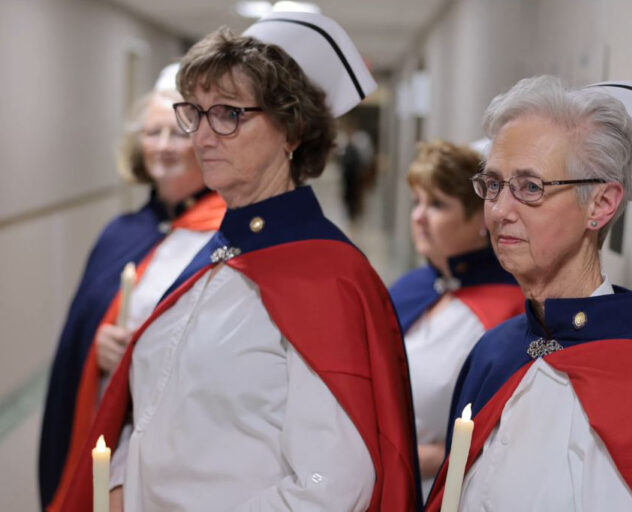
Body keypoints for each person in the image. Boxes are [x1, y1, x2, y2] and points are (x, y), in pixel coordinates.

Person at [57, 12, 419, 512]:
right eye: (195, 112)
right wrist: (119, 483)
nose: (201, 137)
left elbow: (333, 483)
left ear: (291, 131)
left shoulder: (328, 277)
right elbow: (151, 406)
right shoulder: (213, 253)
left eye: (228, 114)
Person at [426, 76, 632, 511]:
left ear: (601, 205)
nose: (498, 211)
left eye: (530, 187)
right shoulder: (495, 352)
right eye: (493, 185)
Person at [38, 63, 225, 510]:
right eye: (151, 133)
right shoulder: (120, 232)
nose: (162, 147)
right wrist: (95, 350)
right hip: (109, 429)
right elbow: (81, 333)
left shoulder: (227, 237)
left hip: (178, 441)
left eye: (176, 134)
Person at [388, 140, 524, 498]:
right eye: (416, 202)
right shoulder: (408, 289)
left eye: (437, 204)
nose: (418, 216)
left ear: (481, 217)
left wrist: (440, 457)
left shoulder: (510, 310)